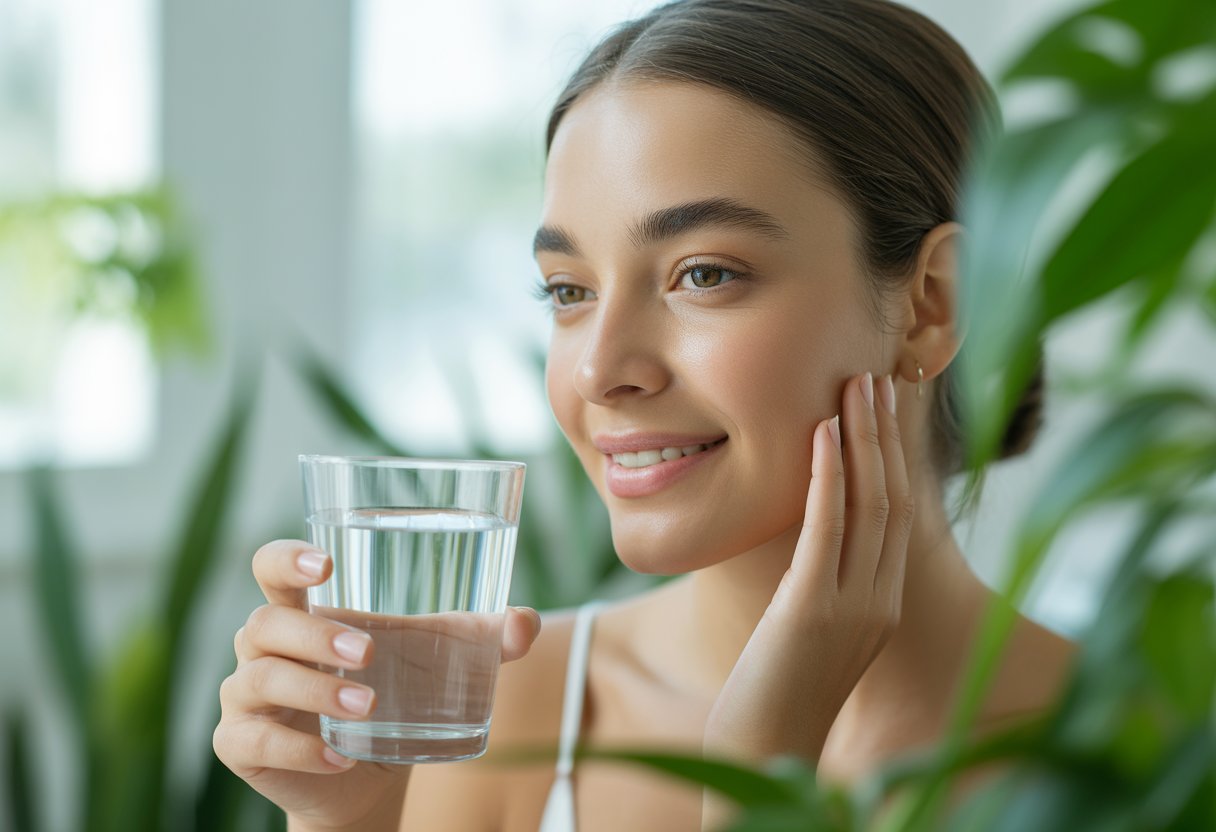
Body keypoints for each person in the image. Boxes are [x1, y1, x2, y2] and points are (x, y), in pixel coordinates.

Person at [213, 0, 1078, 829]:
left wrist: (758, 772)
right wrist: (348, 821)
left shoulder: (1148, 746)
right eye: (568, 291)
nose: (598, 369)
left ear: (935, 304)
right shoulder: (509, 718)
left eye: (702, 274)